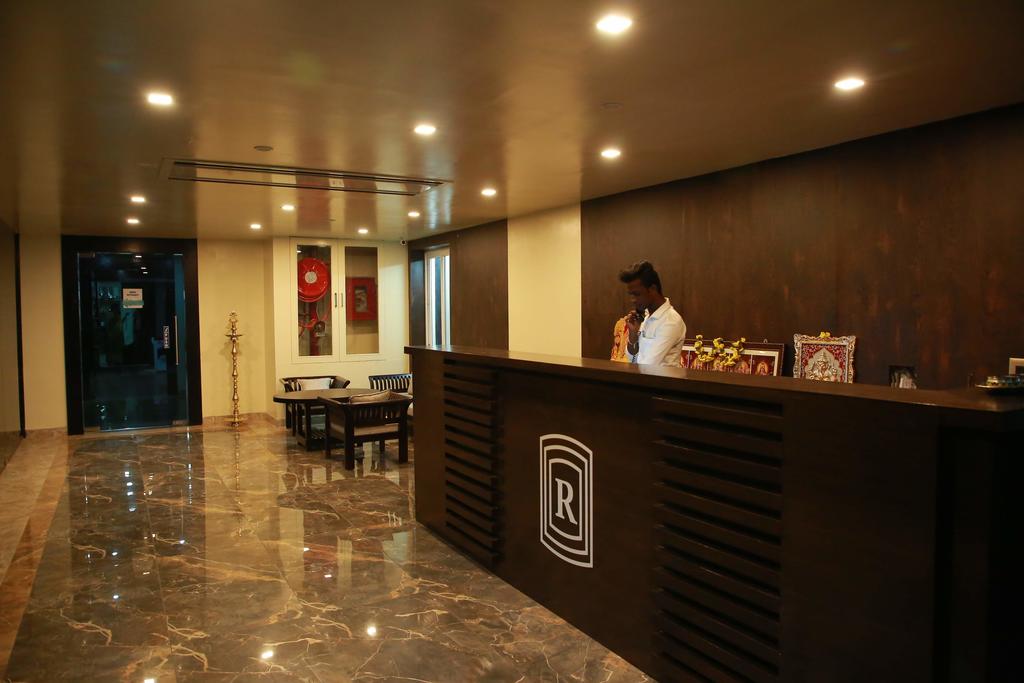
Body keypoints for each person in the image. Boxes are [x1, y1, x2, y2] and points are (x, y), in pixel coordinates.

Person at [619, 261, 686, 366]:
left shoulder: (671, 321)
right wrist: (633, 337)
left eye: (637, 294)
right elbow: (632, 360)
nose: (633, 300)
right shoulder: (647, 317)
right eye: (631, 295)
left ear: (653, 289)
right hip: (643, 376)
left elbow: (648, 365)